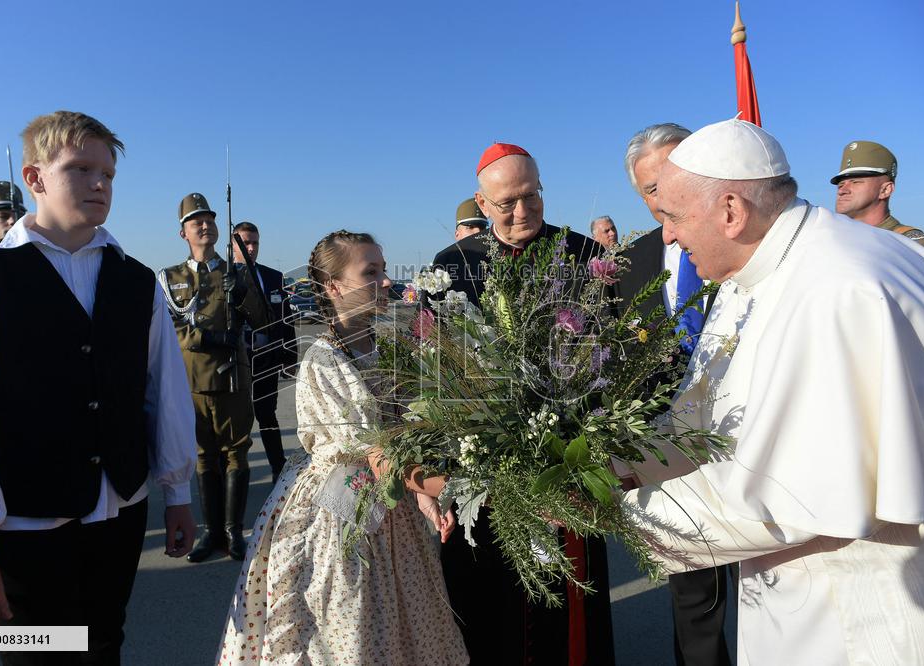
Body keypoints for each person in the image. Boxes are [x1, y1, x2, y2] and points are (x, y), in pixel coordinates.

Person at [620, 118, 924, 665]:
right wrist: (618, 464)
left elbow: (790, 499)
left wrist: (610, 510)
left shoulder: (837, 289)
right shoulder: (753, 271)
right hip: (793, 590)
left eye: (674, 216)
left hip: (855, 611)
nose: (667, 235)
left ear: (731, 212)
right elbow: (698, 421)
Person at [0, 110, 197, 664]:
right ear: (35, 178)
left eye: (109, 173)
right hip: (26, 529)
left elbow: (161, 392)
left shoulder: (136, 280)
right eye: (80, 168)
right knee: (39, 658)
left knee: (104, 648)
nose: (100, 183)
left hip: (119, 516)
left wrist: (178, 494)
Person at [218, 230, 468, 665]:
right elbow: (379, 455)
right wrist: (465, 485)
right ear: (333, 287)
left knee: (406, 632)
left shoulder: (390, 349)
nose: (386, 281)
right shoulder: (324, 359)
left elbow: (406, 436)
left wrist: (427, 497)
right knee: (351, 635)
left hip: (393, 509)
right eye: (370, 272)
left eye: (384, 270)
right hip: (342, 520)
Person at [432, 143, 614, 665]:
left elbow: (610, 358)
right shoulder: (452, 267)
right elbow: (434, 373)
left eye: (532, 196)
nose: (523, 211)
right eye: (507, 202)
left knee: (567, 611)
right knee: (488, 610)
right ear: (481, 203)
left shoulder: (583, 257)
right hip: (485, 471)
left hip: (566, 461)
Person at [618, 123, 732, 666]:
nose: (660, 198)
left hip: (747, 435)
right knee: (695, 601)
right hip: (673, 452)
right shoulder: (630, 263)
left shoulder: (737, 242)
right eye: (648, 190)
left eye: (668, 179)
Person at [159, 195, 272, 562]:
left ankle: (233, 532)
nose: (205, 225)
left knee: (237, 454)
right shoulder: (169, 277)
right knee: (204, 457)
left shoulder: (237, 271)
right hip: (192, 380)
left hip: (232, 378)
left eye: (209, 219)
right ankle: (210, 533)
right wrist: (207, 338)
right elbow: (169, 327)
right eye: (196, 222)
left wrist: (243, 290)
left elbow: (261, 319)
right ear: (183, 232)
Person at [232, 220, 297, 479]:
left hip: (266, 359)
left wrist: (290, 357)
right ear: (233, 244)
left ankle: (278, 469)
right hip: (235, 362)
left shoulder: (273, 277)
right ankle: (235, 473)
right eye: (245, 242)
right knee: (237, 420)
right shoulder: (223, 277)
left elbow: (286, 320)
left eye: (254, 242)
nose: (250, 248)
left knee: (267, 415)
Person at [831, 140, 924, 247]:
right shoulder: (831, 241)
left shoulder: (912, 245)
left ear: (885, 190)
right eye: (840, 185)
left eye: (855, 182)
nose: (842, 191)